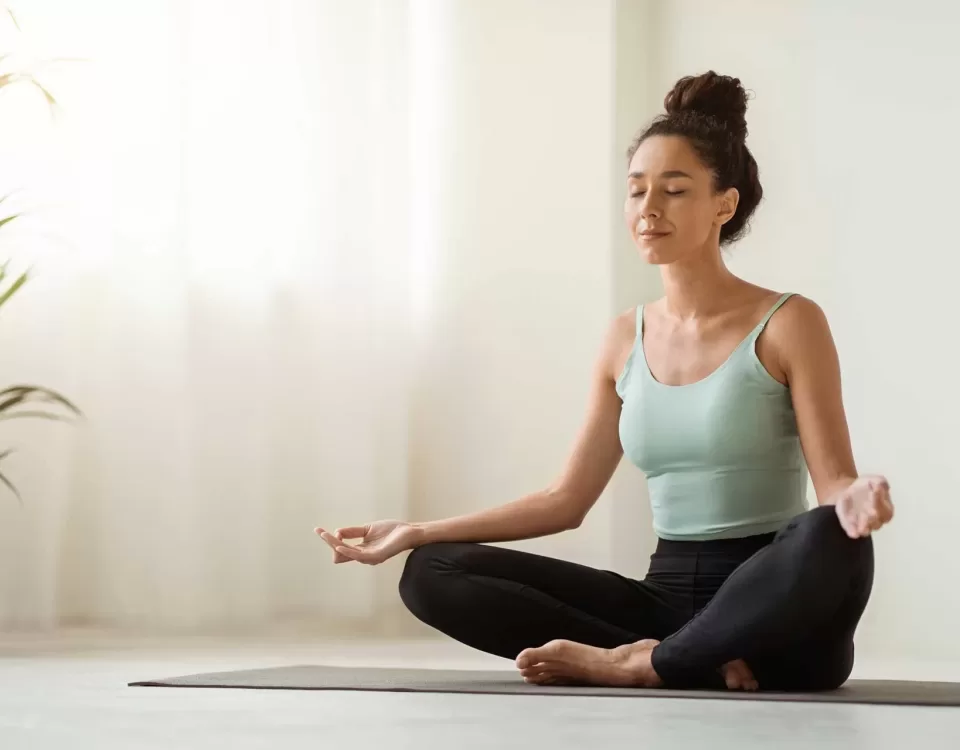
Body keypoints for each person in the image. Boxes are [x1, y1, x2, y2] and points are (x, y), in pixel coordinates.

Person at [315, 71, 894, 692]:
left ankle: (645, 663)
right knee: (431, 572)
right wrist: (418, 529)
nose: (648, 209)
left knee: (832, 535)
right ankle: (687, 655)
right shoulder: (625, 337)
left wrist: (856, 501)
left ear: (724, 204)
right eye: (636, 190)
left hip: (774, 603)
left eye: (674, 190)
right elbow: (565, 501)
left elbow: (834, 484)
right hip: (665, 599)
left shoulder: (788, 322)